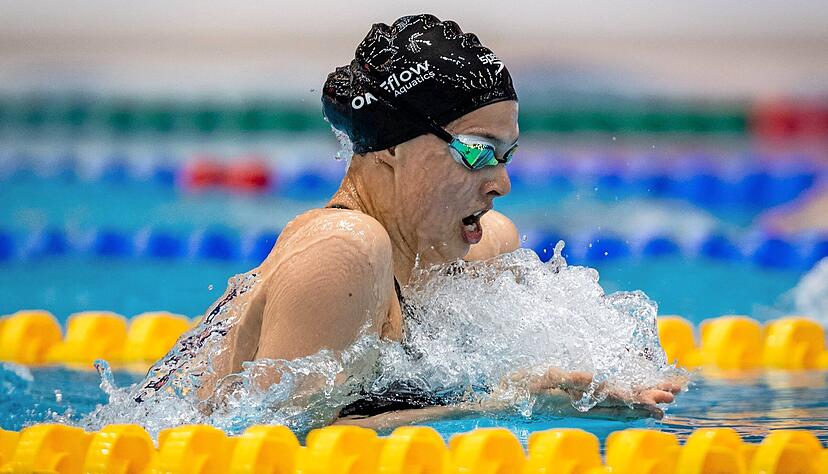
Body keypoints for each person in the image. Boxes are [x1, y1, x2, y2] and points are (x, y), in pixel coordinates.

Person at [137, 14, 679, 429]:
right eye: (475, 151)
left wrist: (608, 371)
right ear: (391, 149)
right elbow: (282, 446)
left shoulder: (478, 249)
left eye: (506, 154)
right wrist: (522, 401)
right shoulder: (343, 250)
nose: (500, 182)